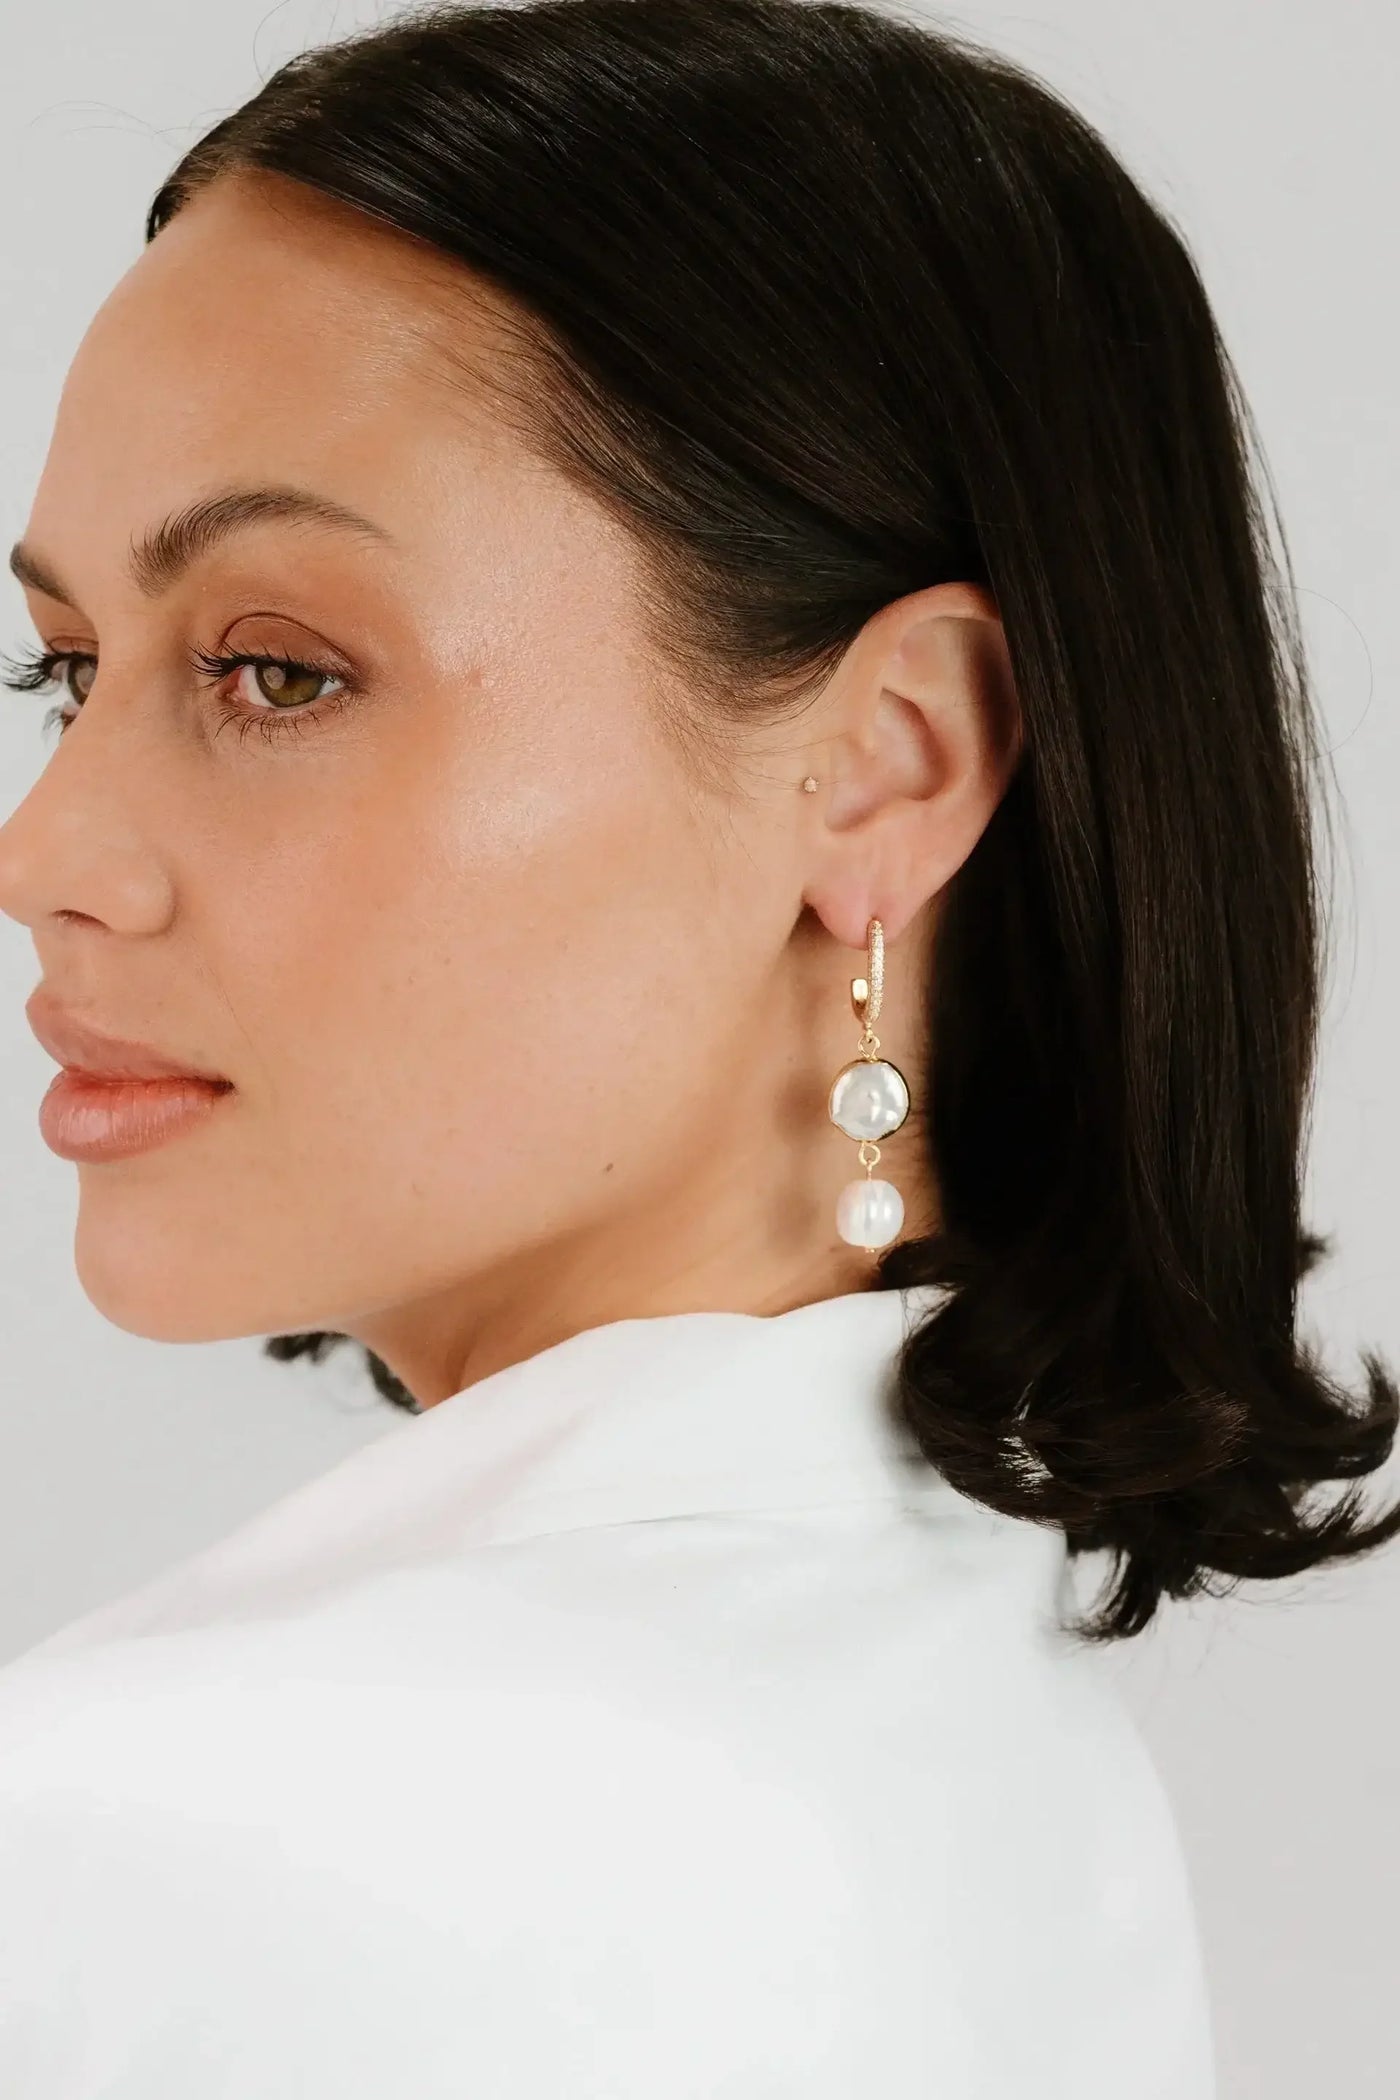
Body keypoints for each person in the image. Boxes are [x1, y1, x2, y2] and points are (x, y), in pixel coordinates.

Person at [0, 0, 1393, 2091]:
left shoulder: (185, 1837)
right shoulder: (971, 1747)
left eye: (276, 671)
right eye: (66, 668)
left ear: (886, 763)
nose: (47, 852)